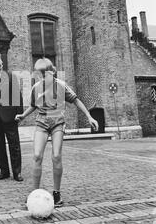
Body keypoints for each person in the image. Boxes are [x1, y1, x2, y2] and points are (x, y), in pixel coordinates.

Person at [15, 58, 99, 207]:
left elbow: (76, 100)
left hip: (57, 122)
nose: (42, 76)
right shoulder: (36, 87)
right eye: (39, 73)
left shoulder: (61, 86)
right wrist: (23, 115)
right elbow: (33, 106)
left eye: (44, 73)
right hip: (41, 122)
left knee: (56, 156)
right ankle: (34, 193)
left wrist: (89, 116)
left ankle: (56, 193)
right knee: (36, 156)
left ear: (52, 71)